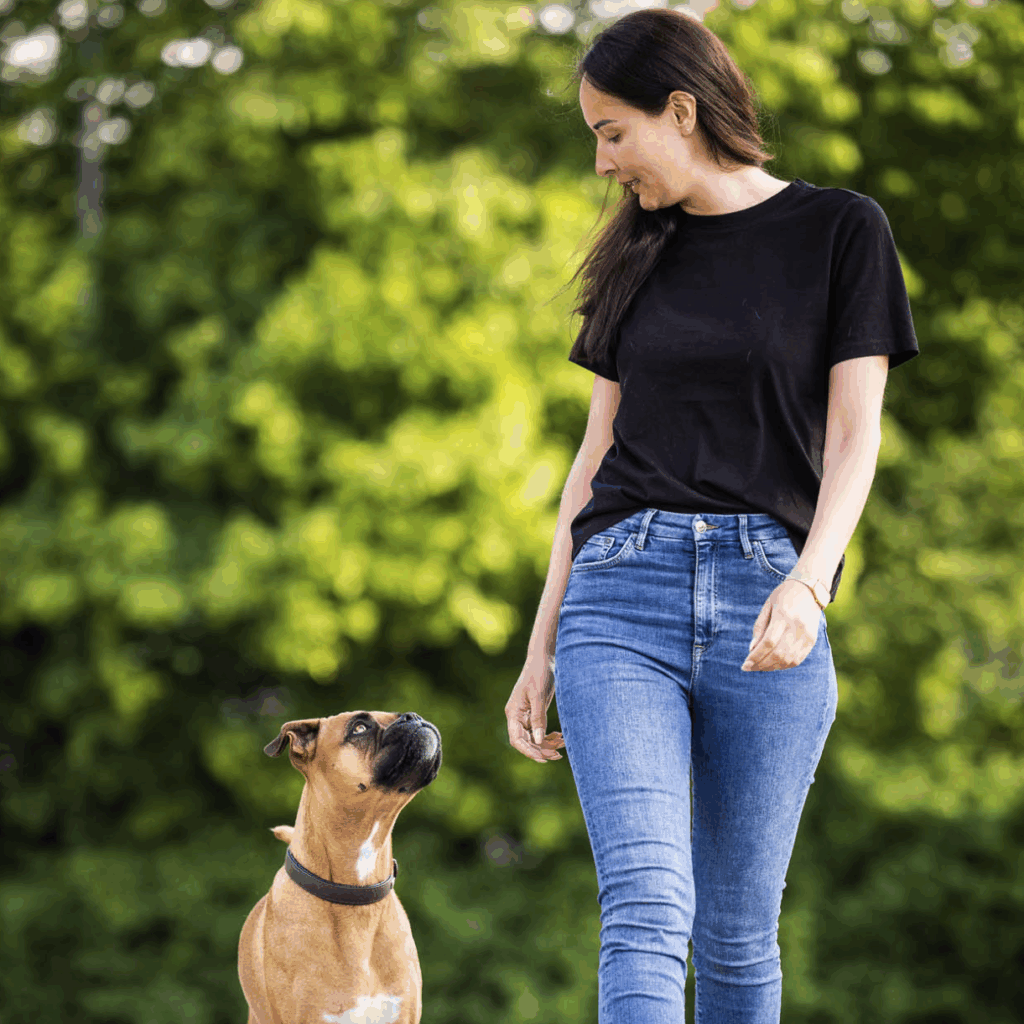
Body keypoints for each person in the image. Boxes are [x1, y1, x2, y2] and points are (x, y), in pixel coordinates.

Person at [504, 8, 919, 1024]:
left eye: (612, 133)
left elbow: (855, 436)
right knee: (645, 905)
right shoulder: (632, 257)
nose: (603, 164)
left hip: (767, 596)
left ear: (680, 109)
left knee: (736, 935)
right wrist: (542, 636)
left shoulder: (840, 229)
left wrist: (809, 583)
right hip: (621, 596)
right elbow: (592, 456)